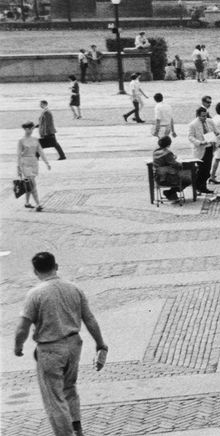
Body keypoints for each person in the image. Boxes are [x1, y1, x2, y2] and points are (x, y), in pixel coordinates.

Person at [14, 251, 108, 436]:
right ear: (56, 267)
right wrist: (100, 343)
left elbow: (22, 328)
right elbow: (89, 319)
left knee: (54, 398)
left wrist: (18, 346)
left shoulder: (35, 294)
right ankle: (77, 428)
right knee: (69, 388)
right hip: (74, 345)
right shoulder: (74, 288)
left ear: (35, 271)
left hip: (50, 350)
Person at [17, 121, 51, 211]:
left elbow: (41, 151)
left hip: (34, 163)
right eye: (31, 128)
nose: (32, 130)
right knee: (33, 184)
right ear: (26, 129)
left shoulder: (35, 139)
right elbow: (18, 155)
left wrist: (46, 162)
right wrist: (18, 168)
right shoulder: (21, 141)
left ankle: (27, 203)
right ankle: (38, 204)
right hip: (25, 164)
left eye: (33, 128)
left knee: (29, 184)